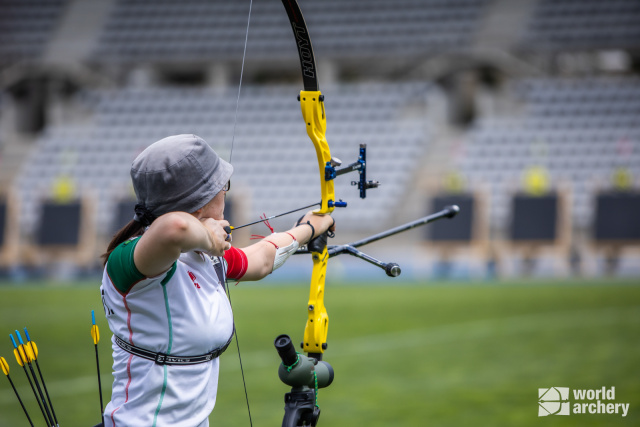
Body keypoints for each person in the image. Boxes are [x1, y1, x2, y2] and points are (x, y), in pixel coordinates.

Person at [99, 134, 335, 427]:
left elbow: (260, 260)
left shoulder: (202, 257)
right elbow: (174, 228)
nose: (226, 193)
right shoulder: (130, 260)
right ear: (201, 202)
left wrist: (309, 227)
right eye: (223, 186)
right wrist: (209, 239)